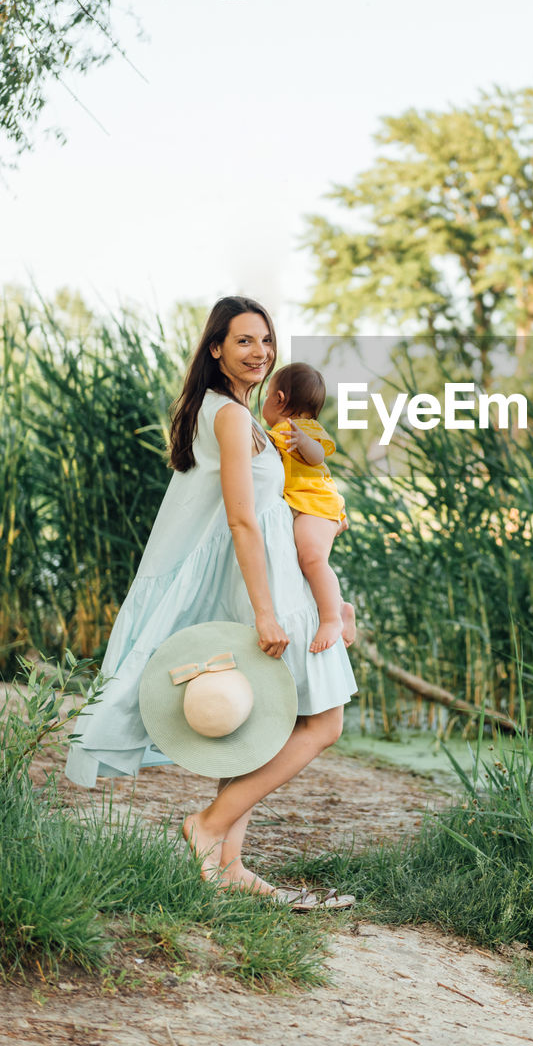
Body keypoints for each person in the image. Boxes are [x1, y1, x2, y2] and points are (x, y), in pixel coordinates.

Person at [65, 297, 357, 901]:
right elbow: (241, 521)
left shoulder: (236, 415)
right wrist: (268, 611)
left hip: (275, 579)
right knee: (323, 722)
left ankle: (227, 863)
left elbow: (275, 506)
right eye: (245, 341)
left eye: (267, 341)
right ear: (217, 348)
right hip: (270, 588)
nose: (261, 352)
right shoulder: (227, 417)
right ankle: (208, 826)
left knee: (265, 719)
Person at [262, 362, 356, 655]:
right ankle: (338, 606)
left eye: (265, 395)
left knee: (313, 559)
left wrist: (303, 441)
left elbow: (317, 457)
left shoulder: (303, 429)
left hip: (316, 506)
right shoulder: (276, 431)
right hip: (302, 507)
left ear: (278, 398)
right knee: (302, 564)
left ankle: (332, 618)